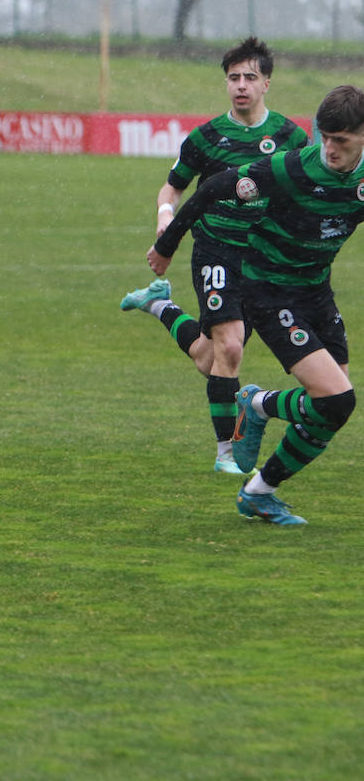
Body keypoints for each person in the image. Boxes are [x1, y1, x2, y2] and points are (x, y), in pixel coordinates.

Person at [148, 84, 364, 525]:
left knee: (331, 410)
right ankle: (257, 407)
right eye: (325, 137)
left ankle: (259, 489)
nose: (330, 149)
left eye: (341, 141)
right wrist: (167, 245)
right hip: (268, 291)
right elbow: (212, 190)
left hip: (316, 291)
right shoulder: (291, 168)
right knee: (337, 399)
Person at [120, 37, 309, 474]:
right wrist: (165, 216)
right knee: (231, 347)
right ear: (226, 82)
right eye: (233, 77)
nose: (241, 85)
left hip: (263, 258)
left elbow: (300, 192)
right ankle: (227, 454)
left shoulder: (290, 137)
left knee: (212, 358)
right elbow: (173, 187)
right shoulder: (205, 138)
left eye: (250, 77)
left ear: (266, 83)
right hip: (215, 249)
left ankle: (160, 305)